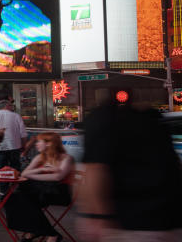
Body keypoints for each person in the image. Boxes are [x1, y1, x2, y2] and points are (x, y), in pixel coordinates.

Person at [76, 98, 182, 241]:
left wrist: (97, 216)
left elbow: (94, 172)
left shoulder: (105, 129)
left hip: (130, 225)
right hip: (166, 221)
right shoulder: (156, 127)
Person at [4, 132, 75, 241]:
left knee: (22, 199)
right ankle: (48, 233)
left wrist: (34, 175)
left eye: (39, 142)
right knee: (11, 198)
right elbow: (24, 174)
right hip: (40, 191)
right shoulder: (39, 157)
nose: (36, 144)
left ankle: (34, 232)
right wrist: (41, 169)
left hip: (59, 193)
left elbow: (57, 177)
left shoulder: (66, 158)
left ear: (49, 144)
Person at [0, 99, 28, 194]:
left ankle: (3, 191)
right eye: (11, 106)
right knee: (15, 167)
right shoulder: (15, 116)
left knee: (1, 168)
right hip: (14, 146)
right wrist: (24, 145)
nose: (12, 107)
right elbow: (23, 133)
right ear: (7, 106)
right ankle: (16, 189)